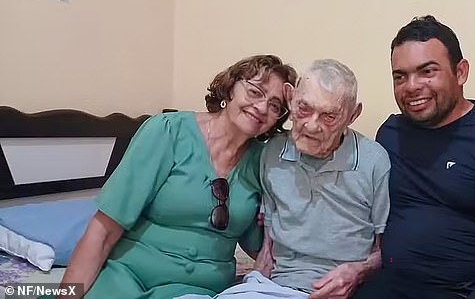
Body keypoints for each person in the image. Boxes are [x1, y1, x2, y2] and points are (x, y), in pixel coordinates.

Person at [58, 55, 297, 298]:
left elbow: (262, 246)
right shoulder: (167, 132)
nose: (262, 107)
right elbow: (103, 231)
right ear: (230, 89)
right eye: (255, 92)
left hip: (198, 291)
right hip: (128, 278)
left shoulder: (264, 161)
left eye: (275, 105)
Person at [354, 16, 475, 299]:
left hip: (469, 291)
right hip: (394, 287)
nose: (411, 86)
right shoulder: (390, 134)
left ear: (461, 72)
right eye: (400, 76)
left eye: (427, 71)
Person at [199, 59, 391, 299]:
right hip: (276, 287)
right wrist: (251, 282)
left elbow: (386, 250)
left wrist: (358, 272)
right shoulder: (271, 153)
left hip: (342, 291)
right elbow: (268, 245)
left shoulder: (373, 161)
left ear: (353, 115)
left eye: (329, 116)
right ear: (290, 98)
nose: (312, 125)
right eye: (304, 108)